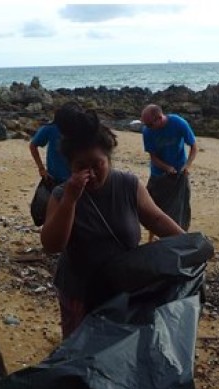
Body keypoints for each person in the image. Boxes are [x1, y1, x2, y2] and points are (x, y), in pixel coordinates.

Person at [40, 109, 185, 338]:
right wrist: (71, 200)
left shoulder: (128, 184)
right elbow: (51, 245)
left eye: (98, 164)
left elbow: (156, 219)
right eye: (81, 167)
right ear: (70, 166)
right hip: (80, 293)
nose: (92, 174)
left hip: (123, 288)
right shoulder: (61, 195)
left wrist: (189, 243)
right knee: (80, 353)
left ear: (109, 159)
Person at [141, 104, 197, 233]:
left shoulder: (178, 123)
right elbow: (153, 157)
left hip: (180, 171)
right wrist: (167, 168)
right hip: (158, 173)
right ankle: (151, 236)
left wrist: (187, 165)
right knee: (154, 206)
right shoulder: (147, 132)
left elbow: (194, 147)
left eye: (149, 124)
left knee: (180, 205)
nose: (147, 127)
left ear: (159, 118)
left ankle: (181, 234)